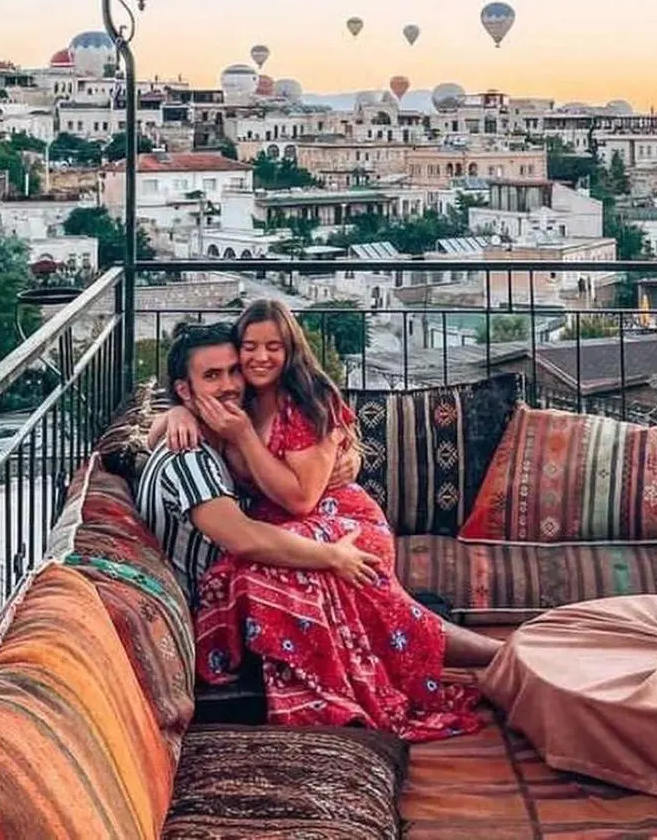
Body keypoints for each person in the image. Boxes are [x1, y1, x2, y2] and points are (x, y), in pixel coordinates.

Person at [156, 299, 498, 738]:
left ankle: (495, 658)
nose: (259, 359)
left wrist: (243, 436)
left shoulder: (303, 403)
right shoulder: (235, 403)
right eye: (249, 348)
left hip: (339, 522)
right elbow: (152, 431)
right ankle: (492, 659)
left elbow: (300, 500)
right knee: (266, 575)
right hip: (287, 528)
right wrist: (176, 412)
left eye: (273, 347)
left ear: (291, 349)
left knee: (263, 573)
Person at [137, 322, 383, 603]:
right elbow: (243, 537)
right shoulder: (188, 458)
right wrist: (334, 556)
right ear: (184, 390)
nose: (229, 386)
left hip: (239, 586)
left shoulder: (224, 439)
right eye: (212, 376)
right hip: (206, 605)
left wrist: (349, 455)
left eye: (234, 371)